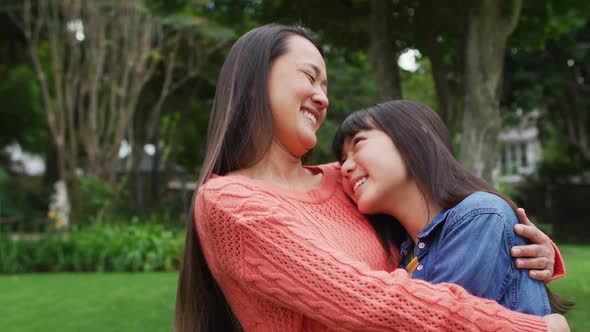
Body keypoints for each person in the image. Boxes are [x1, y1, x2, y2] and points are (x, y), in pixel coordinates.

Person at [174, 24, 568, 331]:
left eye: (325, 86)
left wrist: (527, 249)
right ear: (253, 81)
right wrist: (521, 328)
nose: (323, 98)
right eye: (310, 77)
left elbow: (434, 234)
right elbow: (364, 299)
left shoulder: (343, 183)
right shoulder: (232, 202)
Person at [333, 100, 573, 316]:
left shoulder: (480, 215)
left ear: (415, 137)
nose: (344, 168)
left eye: (358, 143)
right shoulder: (407, 250)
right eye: (342, 160)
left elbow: (438, 322)